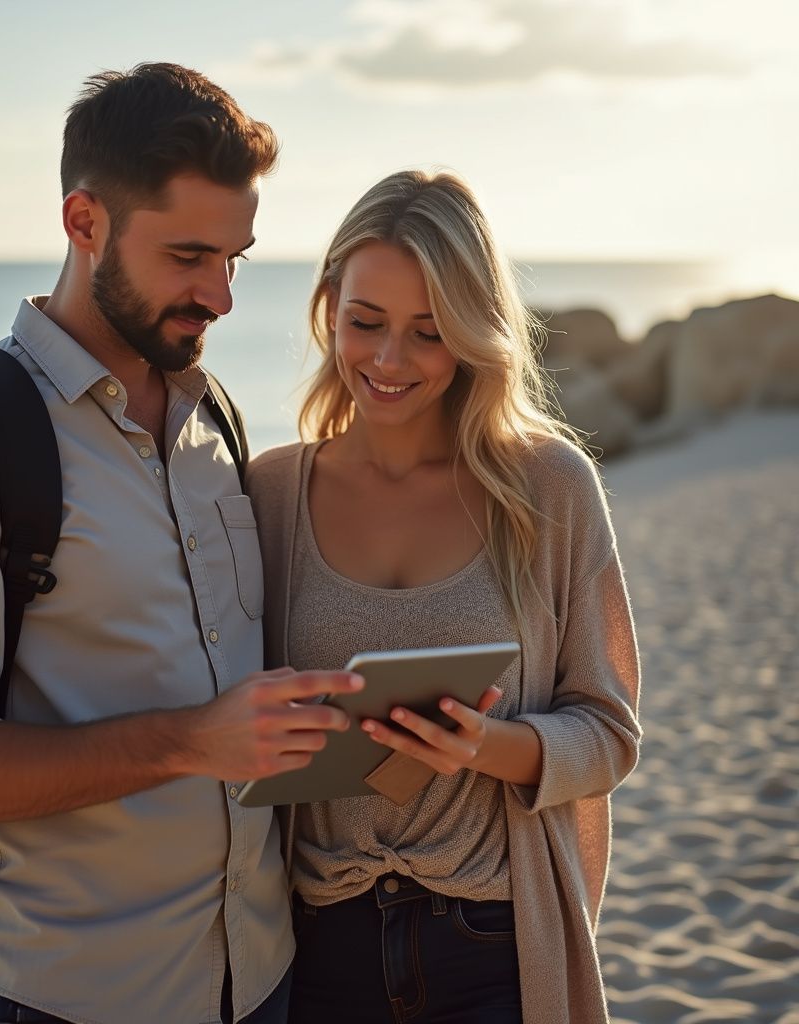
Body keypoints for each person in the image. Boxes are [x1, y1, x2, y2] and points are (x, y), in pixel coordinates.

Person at [0, 63, 362, 1024]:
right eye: (188, 256)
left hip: (260, 978)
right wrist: (189, 743)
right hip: (69, 997)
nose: (220, 296)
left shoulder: (212, 412)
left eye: (235, 259)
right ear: (83, 223)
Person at [246, 170, 642, 1024]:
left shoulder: (547, 488)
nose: (389, 361)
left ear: (473, 333)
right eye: (366, 323)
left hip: (494, 946)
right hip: (314, 951)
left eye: (428, 332)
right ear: (328, 308)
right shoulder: (267, 494)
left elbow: (610, 735)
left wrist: (486, 747)